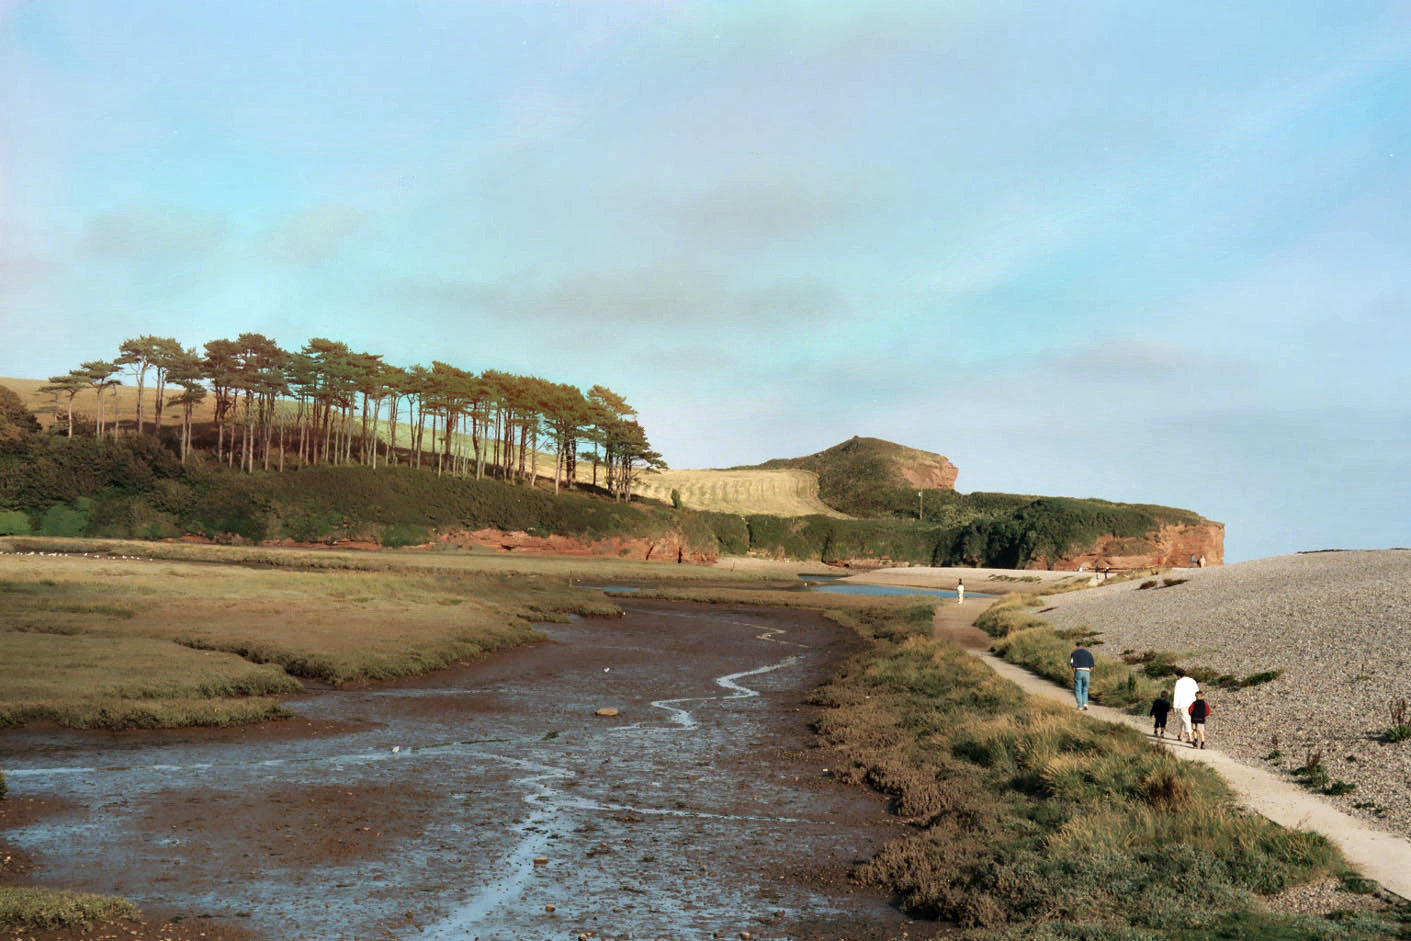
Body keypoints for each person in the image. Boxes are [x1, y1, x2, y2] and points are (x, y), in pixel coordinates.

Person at [1171, 669, 1199, 743]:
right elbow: (1197, 691)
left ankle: (1190, 737)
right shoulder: (1192, 680)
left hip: (1183, 703)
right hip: (1193, 702)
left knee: (1186, 719)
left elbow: (1177, 694)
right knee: (1186, 719)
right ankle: (1181, 735)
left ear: (1179, 676)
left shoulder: (1179, 682)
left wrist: (1175, 706)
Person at [1069, 642, 1094, 710]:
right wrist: (1088, 672)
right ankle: (1085, 704)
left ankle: (1080, 706)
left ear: (1077, 646)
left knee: (1078, 689)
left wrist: (1075, 672)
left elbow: (1071, 664)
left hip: (1079, 671)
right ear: (1083, 646)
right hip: (1087, 671)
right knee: (1085, 689)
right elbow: (1092, 666)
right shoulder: (1089, 653)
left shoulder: (1073, 653)